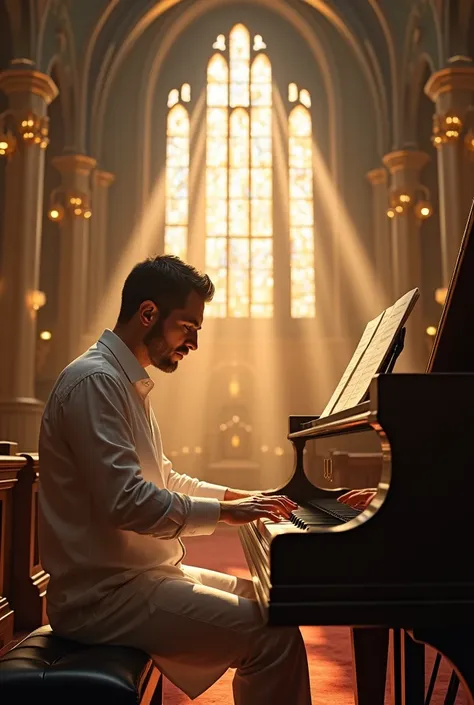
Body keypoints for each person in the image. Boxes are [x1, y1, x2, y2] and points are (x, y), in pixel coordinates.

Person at [38, 255, 312, 705]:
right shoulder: (95, 382)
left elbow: (164, 477)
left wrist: (238, 496)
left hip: (141, 577)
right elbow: (127, 502)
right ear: (149, 314)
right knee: (271, 635)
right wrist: (226, 513)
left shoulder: (124, 383)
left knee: (268, 603)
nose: (195, 342)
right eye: (189, 326)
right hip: (104, 597)